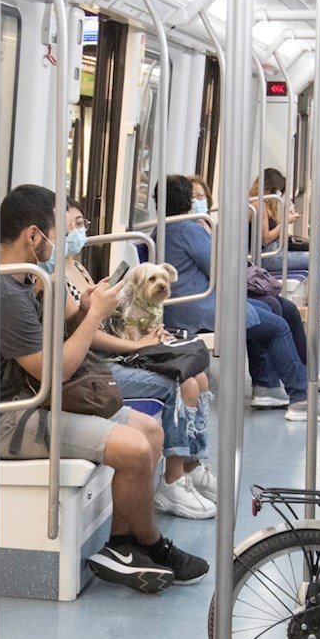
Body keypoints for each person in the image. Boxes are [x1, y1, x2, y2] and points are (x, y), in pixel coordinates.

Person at [0, 185, 209, 591]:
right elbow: (52, 372)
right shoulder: (6, 292)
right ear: (32, 235)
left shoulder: (29, 279)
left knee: (151, 432)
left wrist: (83, 305)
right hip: (12, 415)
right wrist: (95, 317)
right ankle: (151, 543)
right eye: (58, 231)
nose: (63, 241)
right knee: (133, 450)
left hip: (36, 400)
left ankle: (121, 546)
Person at [61, 204, 218, 519]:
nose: (81, 230)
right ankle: (173, 481)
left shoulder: (76, 266)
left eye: (82, 222)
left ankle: (192, 462)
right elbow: (87, 333)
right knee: (181, 382)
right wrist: (135, 345)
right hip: (98, 358)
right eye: (74, 224)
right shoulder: (57, 276)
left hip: (114, 345)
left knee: (199, 376)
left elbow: (95, 317)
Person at [160, 175, 320, 420]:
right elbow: (218, 267)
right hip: (196, 307)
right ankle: (300, 399)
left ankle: (269, 385)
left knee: (269, 313)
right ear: (186, 200)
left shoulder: (168, 226)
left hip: (189, 303)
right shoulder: (187, 227)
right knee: (276, 326)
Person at [253, 166, 320, 308]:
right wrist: (285, 222)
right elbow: (266, 238)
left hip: (272, 253)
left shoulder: (256, 203)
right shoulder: (260, 205)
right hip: (269, 257)